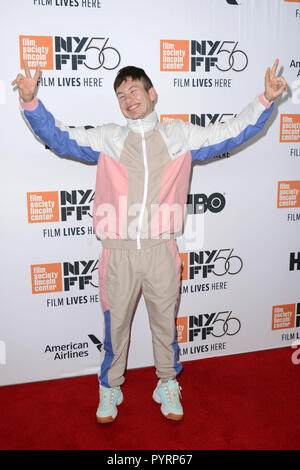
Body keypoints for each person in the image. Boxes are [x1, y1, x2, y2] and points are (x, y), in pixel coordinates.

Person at [12, 60, 287, 423]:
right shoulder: (109, 137)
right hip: (119, 253)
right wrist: (31, 102)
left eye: (134, 91)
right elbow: (60, 137)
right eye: (121, 95)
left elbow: (232, 132)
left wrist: (265, 101)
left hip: (162, 250)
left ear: (151, 93)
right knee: (116, 329)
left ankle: (167, 382)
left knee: (164, 325)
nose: (128, 99)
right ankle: (110, 388)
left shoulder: (179, 135)